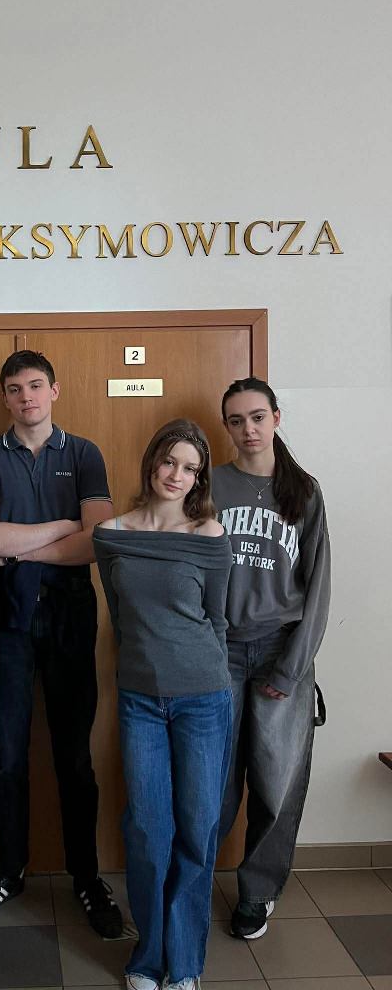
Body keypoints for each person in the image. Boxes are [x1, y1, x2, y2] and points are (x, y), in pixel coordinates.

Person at [0, 350, 123, 938]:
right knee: (5, 758)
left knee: (75, 758)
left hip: (70, 619)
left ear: (54, 390)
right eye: (14, 388)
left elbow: (98, 542)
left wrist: (20, 548)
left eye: (35, 385)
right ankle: (9, 871)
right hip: (4, 623)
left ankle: (86, 875)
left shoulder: (84, 454)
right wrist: (62, 527)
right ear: (4, 398)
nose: (25, 396)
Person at [94, 419, 233, 990]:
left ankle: (185, 964)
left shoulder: (209, 534)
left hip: (204, 700)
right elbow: (120, 617)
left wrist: (202, 677)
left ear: (199, 478)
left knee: (196, 830)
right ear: (152, 461)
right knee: (149, 832)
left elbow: (217, 622)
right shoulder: (111, 533)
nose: (177, 475)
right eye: (169, 462)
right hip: (140, 703)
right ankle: (148, 957)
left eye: (190, 468)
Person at [214, 377, 331, 940]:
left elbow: (318, 585)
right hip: (220, 651)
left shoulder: (303, 492)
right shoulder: (210, 485)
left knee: (276, 780)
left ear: (276, 418)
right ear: (227, 427)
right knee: (213, 777)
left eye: (257, 417)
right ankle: (190, 882)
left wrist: (292, 667)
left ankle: (257, 893)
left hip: (280, 651)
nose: (248, 429)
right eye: (236, 421)